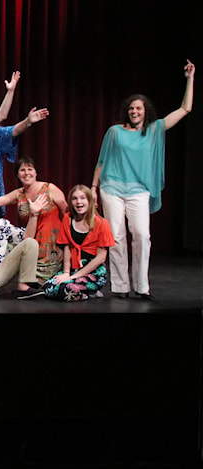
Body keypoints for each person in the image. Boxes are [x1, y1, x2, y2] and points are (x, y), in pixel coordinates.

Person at [93, 60, 195, 299]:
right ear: (126, 112)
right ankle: (120, 286)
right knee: (116, 237)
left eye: (138, 108)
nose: (135, 112)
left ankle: (142, 286)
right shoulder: (115, 132)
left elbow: (185, 109)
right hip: (112, 187)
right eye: (131, 109)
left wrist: (190, 79)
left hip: (139, 189)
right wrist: (94, 187)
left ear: (145, 110)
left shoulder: (154, 129)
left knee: (141, 234)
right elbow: (102, 162)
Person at [0, 157, 67, 282]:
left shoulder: (50, 188)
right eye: (22, 170)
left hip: (53, 244)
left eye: (30, 169)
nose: (26, 173)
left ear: (36, 172)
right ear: (17, 174)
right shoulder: (18, 193)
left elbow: (67, 213)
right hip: (33, 241)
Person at [41, 185, 115, 301]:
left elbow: (101, 258)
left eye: (82, 198)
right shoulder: (67, 218)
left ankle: (88, 293)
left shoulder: (101, 223)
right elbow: (67, 246)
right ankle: (82, 289)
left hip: (93, 271)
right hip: (73, 267)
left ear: (89, 201)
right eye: (74, 198)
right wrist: (66, 273)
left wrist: (75, 276)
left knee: (65, 290)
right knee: (48, 288)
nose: (78, 202)